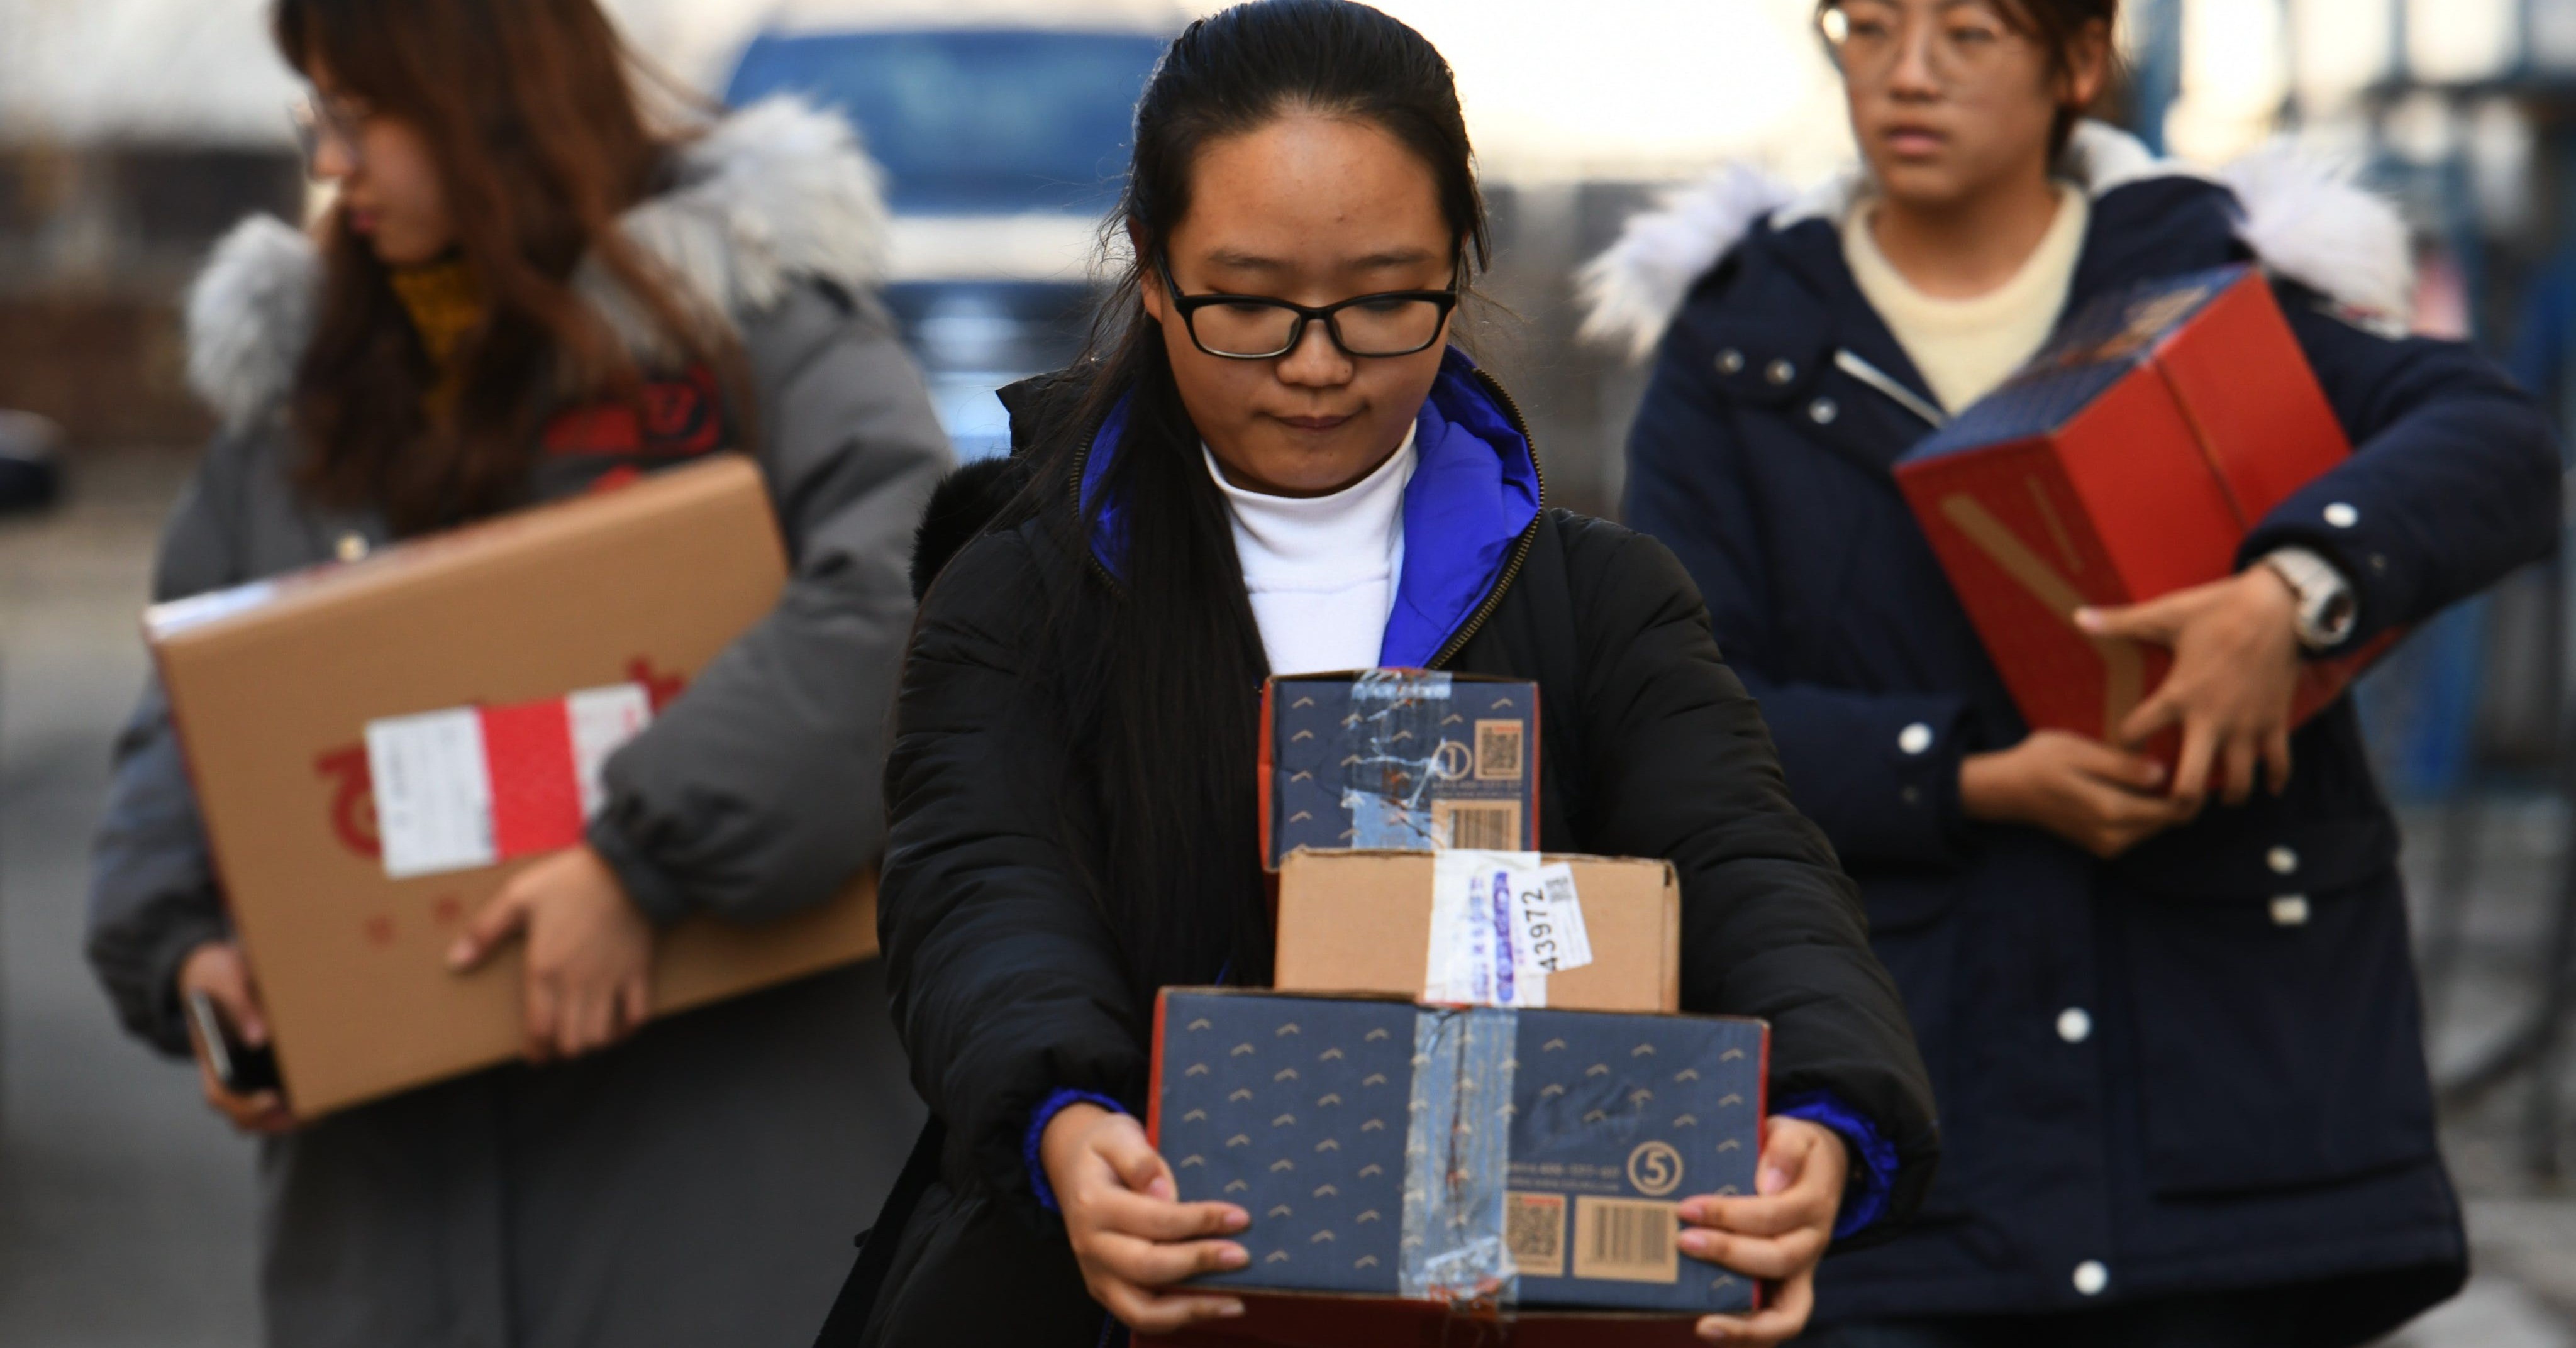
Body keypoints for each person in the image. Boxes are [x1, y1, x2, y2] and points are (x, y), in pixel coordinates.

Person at [844, 3, 1940, 1345]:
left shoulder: (1596, 601)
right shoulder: (1021, 595)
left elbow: (1745, 864)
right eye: (1244, 305)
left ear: (1460, 265)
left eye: (1380, 301)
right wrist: (1065, 1121)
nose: (1314, 365)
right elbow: (978, 888)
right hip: (1112, 1300)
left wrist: (1821, 1116)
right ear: (1150, 270)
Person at [1580, 1, 2562, 1344]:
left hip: (2241, 1127)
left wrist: (2289, 594)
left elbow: (2489, 443)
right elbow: (1683, 719)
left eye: (1969, 32)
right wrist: (1968, 776)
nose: (1905, 74)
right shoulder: (1740, 345)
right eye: (1864, 25)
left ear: (2077, 61)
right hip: (1920, 1125)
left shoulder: (2219, 271)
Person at [84, 1, 949, 1344]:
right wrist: (182, 948)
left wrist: (638, 863)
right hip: (387, 1238)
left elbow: (905, 591)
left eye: (365, 118)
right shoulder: (298, 405)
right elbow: (187, 723)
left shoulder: (758, 344)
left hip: (719, 1209)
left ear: (496, 104)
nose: (334, 164)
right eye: (318, 118)